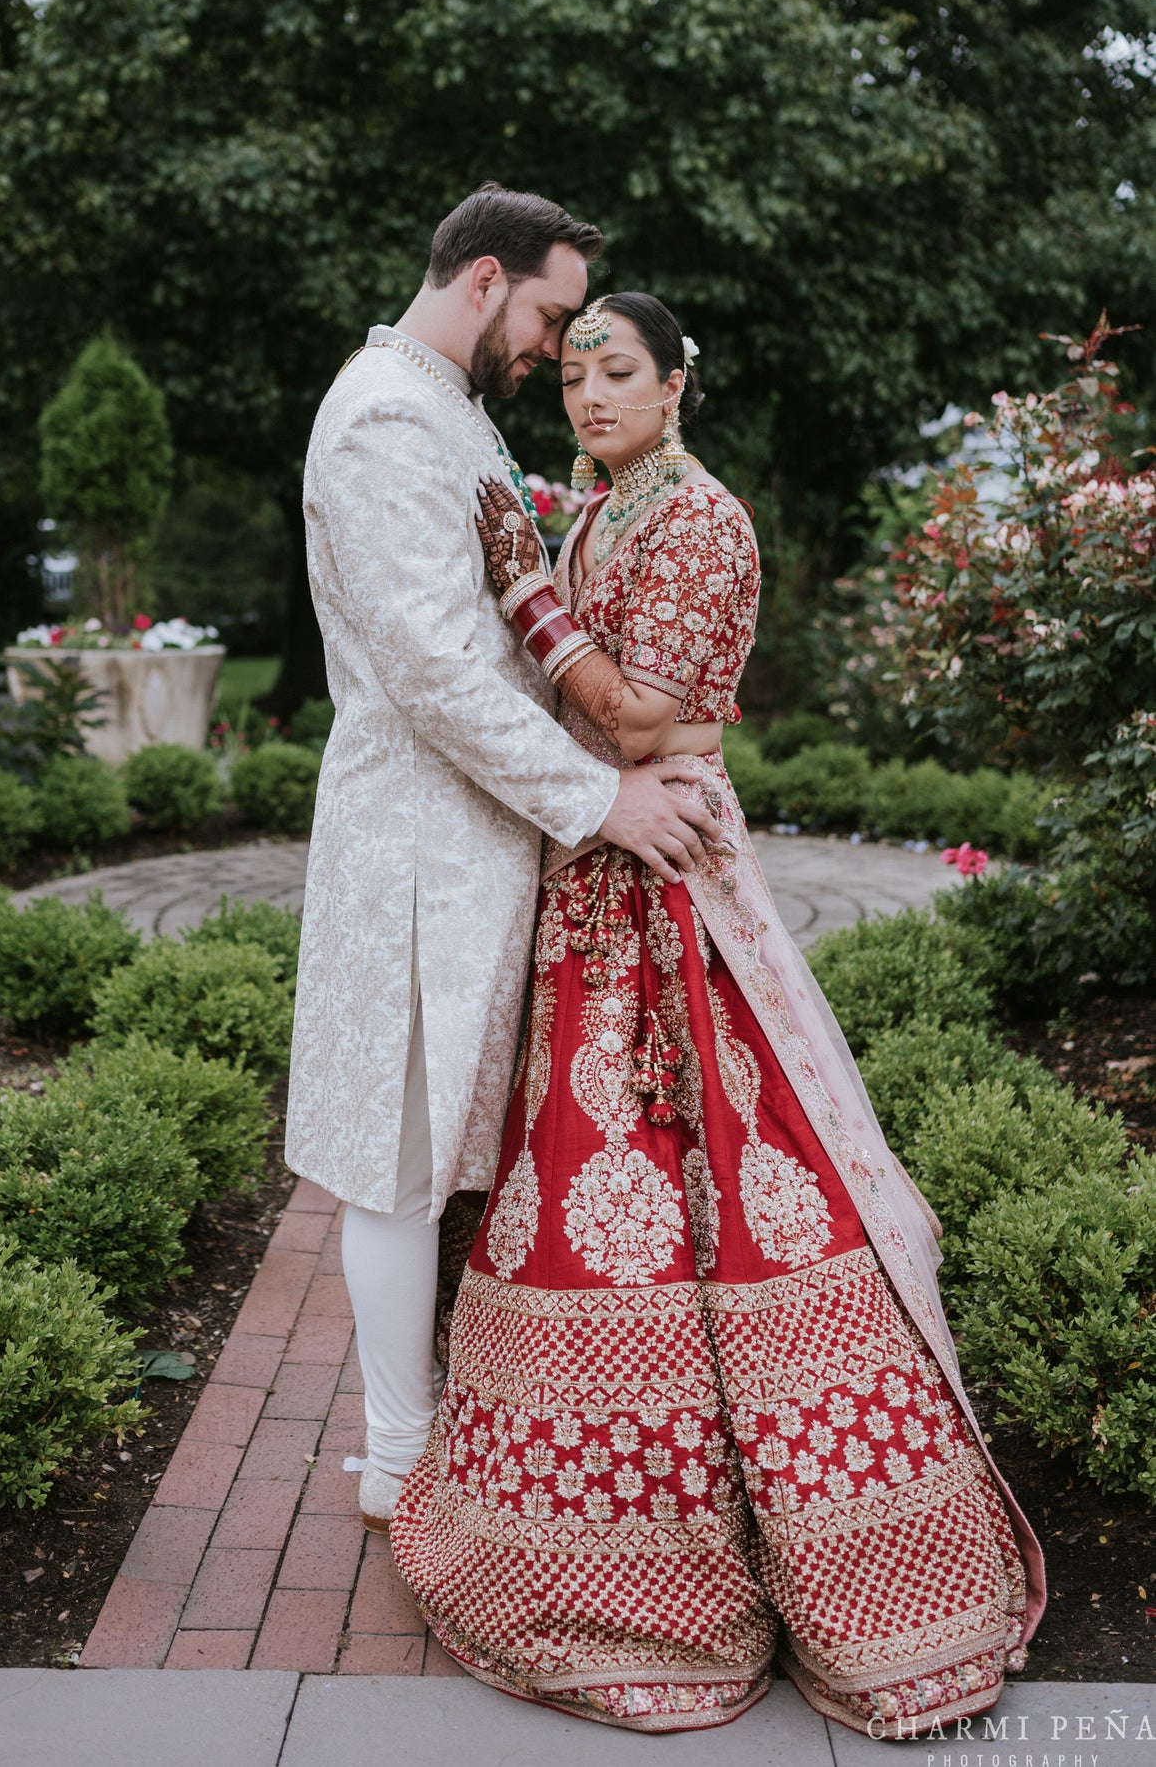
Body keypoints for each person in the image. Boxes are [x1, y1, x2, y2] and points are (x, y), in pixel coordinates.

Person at [389, 291, 1044, 1738]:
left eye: (615, 371)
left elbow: (635, 719)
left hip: (667, 871)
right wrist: (547, 605)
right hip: (591, 868)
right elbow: (594, 713)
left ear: (678, 382)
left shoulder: (701, 522)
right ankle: (591, 1556)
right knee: (588, 1172)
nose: (586, 395)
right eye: (570, 374)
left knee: (716, 1167)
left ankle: (804, 1563)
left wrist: (526, 598)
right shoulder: (602, 510)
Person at [287, 191, 726, 1533]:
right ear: (484, 279)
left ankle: (436, 1428)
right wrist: (601, 801)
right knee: (401, 1155)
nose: (551, 349)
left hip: (484, 837)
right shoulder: (380, 416)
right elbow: (431, 677)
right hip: (418, 844)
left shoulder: (448, 407)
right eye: (545, 314)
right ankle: (397, 1459)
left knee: (455, 1151)